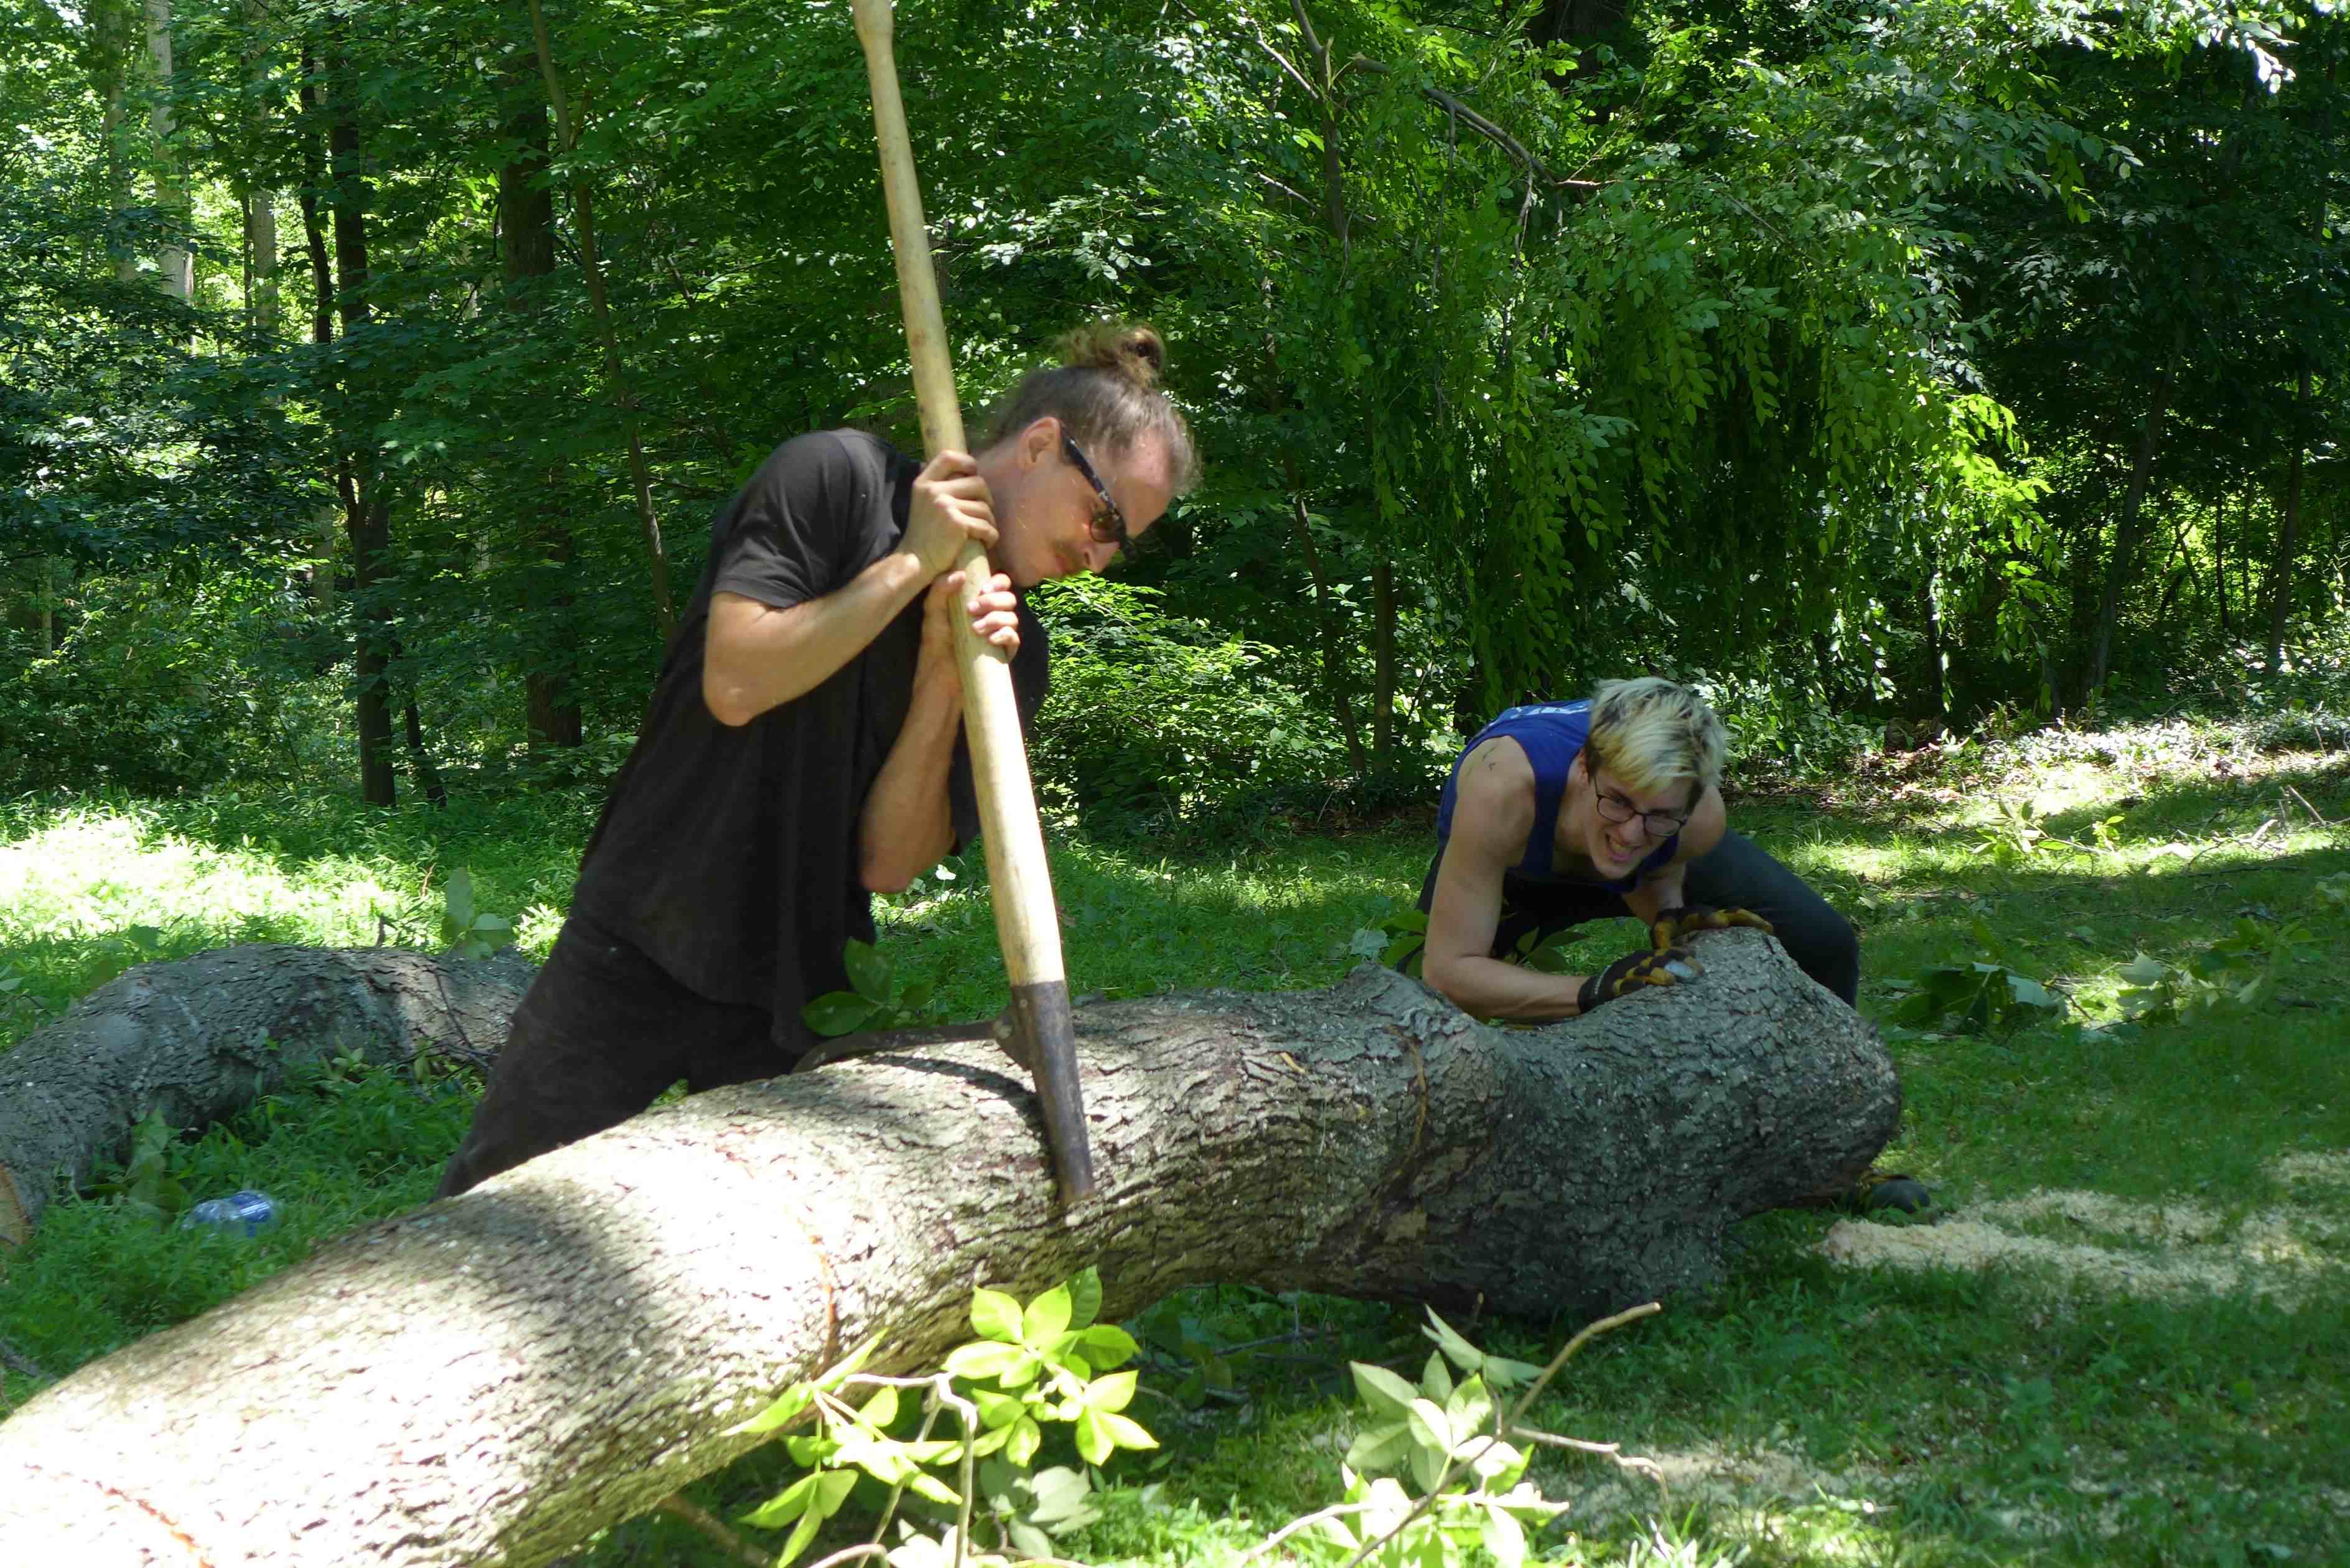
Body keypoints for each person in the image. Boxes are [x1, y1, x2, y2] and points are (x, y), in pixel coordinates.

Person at [436, 324, 1197, 1198]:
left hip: (800, 991)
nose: (1098, 559)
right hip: (645, 930)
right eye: (1104, 519)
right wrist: (912, 564)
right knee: (492, 1207)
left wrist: (946, 682)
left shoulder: (1012, 654)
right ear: (1038, 447)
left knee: (753, 1252)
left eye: (1122, 543)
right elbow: (737, 680)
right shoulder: (833, 480)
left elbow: (888, 863)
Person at [1410, 677, 1860, 1020]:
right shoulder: (1502, 791)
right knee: (1414, 1004)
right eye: (1619, 801)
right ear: (1586, 767)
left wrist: (1670, 914)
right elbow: (1449, 972)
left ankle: (1830, 1084)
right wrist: (1595, 990)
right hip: (1517, 866)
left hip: (1632, 852)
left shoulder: (1698, 820)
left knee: (1824, 942)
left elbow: (1656, 867)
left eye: (1662, 812)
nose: (1630, 834)